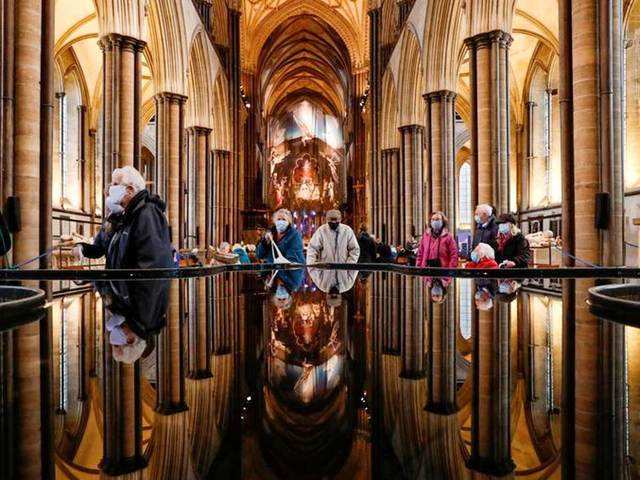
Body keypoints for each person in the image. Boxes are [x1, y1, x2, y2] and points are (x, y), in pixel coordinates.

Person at [75, 166, 173, 269]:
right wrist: (82, 247)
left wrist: (114, 282)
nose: (110, 198)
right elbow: (103, 249)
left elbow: (151, 262)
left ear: (130, 190)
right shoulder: (116, 218)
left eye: (115, 185)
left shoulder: (146, 214)